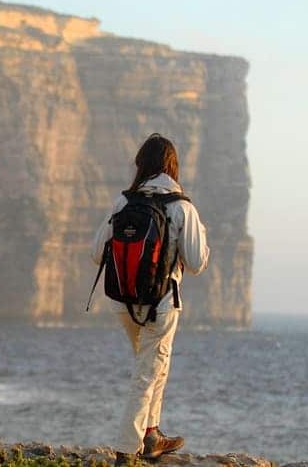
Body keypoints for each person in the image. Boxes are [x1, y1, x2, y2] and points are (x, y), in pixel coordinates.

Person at [90, 133, 210, 467]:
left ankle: (152, 434)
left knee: (155, 363)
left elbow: (96, 252)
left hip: (122, 301)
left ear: (141, 165)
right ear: (172, 167)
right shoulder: (182, 207)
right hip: (161, 304)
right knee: (147, 372)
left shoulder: (123, 203)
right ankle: (126, 450)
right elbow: (196, 262)